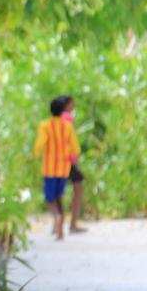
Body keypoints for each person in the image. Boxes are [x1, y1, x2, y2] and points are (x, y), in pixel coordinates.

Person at [34, 96, 81, 240]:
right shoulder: (67, 126)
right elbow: (75, 146)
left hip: (49, 167)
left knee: (50, 199)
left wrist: (35, 154)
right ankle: (60, 232)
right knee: (59, 196)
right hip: (63, 167)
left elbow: (40, 143)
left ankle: (57, 217)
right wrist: (73, 158)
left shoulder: (45, 125)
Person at [59, 95, 87, 233]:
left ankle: (61, 224)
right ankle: (72, 224)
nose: (74, 106)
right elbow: (69, 140)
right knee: (78, 187)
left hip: (59, 160)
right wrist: (74, 159)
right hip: (68, 160)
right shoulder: (67, 118)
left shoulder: (56, 119)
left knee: (60, 192)